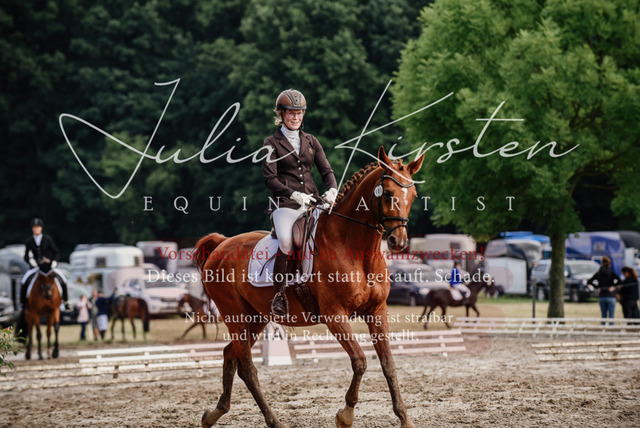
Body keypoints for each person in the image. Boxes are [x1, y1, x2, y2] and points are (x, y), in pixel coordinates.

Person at [262, 89, 338, 317]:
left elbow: (327, 171)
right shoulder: (271, 143)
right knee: (287, 242)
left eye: (299, 113)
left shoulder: (311, 141)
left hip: (313, 202)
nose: (295, 117)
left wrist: (332, 189)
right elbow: (270, 178)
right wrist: (293, 194)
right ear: (282, 114)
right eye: (291, 113)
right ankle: (279, 295)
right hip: (285, 205)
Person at [20, 218, 70, 310]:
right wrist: (31, 262)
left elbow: (55, 252)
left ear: (41, 228)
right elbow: (26, 256)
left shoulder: (48, 239)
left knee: (63, 279)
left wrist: (54, 262)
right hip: (36, 267)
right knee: (24, 281)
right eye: (34, 227)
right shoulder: (29, 241)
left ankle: (66, 301)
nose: (36, 229)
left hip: (48, 267)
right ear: (32, 229)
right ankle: (23, 303)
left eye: (38, 227)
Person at [587, 256, 620, 323]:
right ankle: (611, 328)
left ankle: (603, 327)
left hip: (602, 296)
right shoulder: (611, 272)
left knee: (603, 315)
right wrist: (613, 286)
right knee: (611, 315)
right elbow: (620, 281)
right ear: (609, 264)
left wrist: (598, 287)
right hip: (611, 296)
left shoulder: (598, 273)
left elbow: (589, 282)